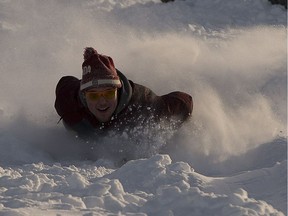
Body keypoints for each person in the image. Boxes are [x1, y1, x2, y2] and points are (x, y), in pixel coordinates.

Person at [55, 47, 193, 141]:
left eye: (108, 94)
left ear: (118, 91)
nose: (102, 102)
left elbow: (184, 102)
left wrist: (172, 127)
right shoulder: (68, 102)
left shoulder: (143, 103)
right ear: (84, 96)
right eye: (94, 96)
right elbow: (64, 83)